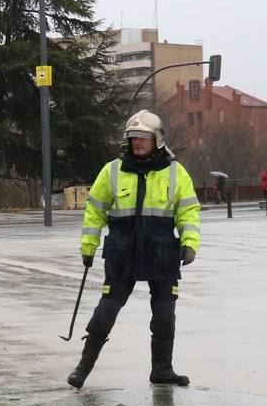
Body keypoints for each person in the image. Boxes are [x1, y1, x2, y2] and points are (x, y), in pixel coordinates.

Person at [68, 110, 201, 389]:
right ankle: (83, 368)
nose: (137, 142)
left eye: (143, 137)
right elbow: (94, 211)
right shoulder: (112, 170)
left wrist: (189, 243)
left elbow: (188, 210)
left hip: (162, 251)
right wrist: (88, 246)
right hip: (122, 251)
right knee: (106, 310)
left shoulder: (176, 172)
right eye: (132, 137)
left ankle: (162, 370)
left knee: (165, 314)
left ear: (157, 139)